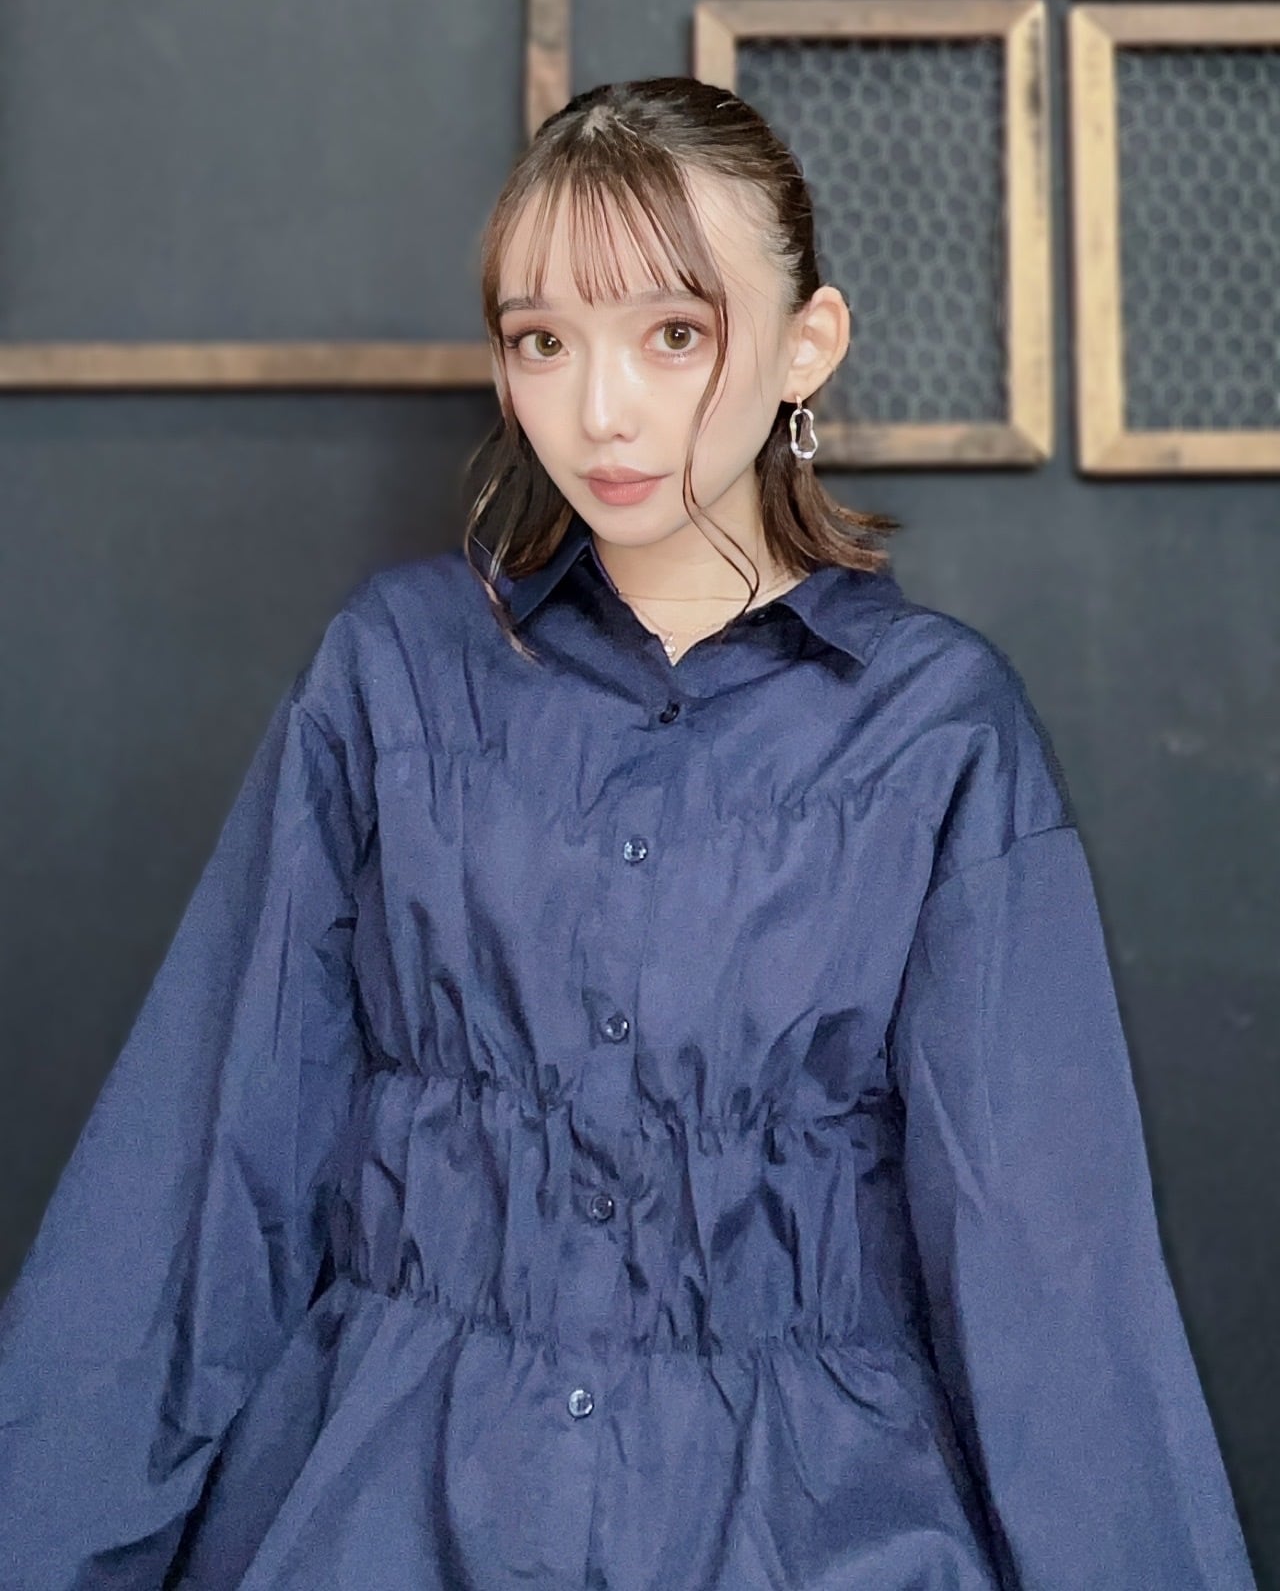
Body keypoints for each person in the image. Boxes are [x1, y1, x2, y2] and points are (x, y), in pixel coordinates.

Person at [0, 77, 1256, 1590]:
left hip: (813, 1523)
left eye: (673, 334)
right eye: (543, 340)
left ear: (807, 344)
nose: (598, 411)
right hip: (388, 1496)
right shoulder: (393, 673)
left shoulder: (939, 730)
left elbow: (1049, 1269)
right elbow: (203, 1174)